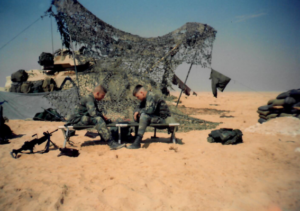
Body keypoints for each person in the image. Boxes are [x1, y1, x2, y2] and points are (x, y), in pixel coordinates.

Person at [69, 85, 125, 150]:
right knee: (98, 120)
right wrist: (101, 116)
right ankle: (111, 142)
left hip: (80, 119)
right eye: (102, 96)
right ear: (97, 93)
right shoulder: (89, 99)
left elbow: (95, 112)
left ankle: (104, 137)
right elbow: (93, 113)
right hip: (76, 121)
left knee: (100, 119)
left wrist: (104, 117)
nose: (103, 98)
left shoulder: (92, 99)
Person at [127, 85, 173, 149]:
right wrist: (137, 113)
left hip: (163, 119)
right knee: (138, 115)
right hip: (156, 118)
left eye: (138, 96)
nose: (138, 98)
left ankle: (137, 142)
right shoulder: (145, 99)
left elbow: (150, 110)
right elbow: (138, 109)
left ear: (142, 93)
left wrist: (139, 112)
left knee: (144, 116)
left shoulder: (151, 96)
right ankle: (136, 137)